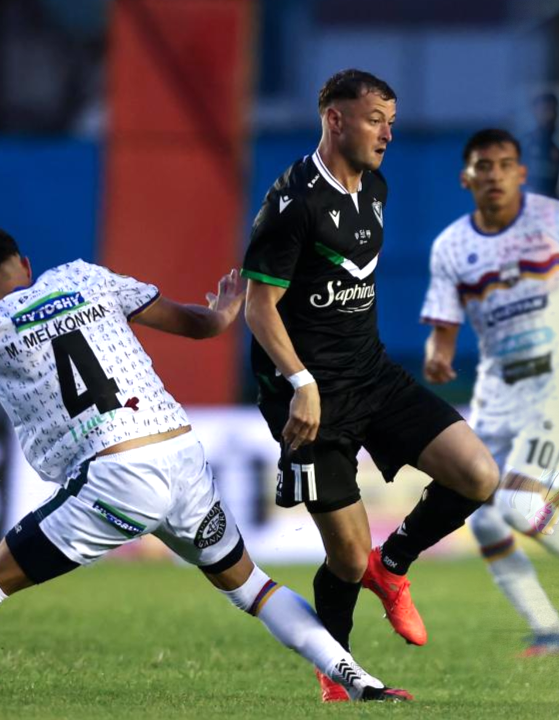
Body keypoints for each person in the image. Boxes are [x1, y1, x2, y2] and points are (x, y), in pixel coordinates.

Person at [0, 230, 409, 702]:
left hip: (115, 476)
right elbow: (202, 325)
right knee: (253, 588)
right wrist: (224, 311)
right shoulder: (84, 277)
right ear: (26, 266)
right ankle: (360, 680)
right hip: (182, 460)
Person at [241, 69, 498, 700]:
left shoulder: (376, 187)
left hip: (372, 374)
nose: (388, 132)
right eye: (375, 118)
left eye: (391, 119)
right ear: (335, 119)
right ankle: (339, 672)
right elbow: (258, 307)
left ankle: (397, 564)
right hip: (309, 398)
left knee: (477, 475)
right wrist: (301, 381)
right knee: (346, 560)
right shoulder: (292, 202)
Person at [420, 128, 559, 656]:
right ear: (466, 176)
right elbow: (443, 331)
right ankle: (550, 631)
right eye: (483, 166)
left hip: (557, 377)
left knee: (514, 501)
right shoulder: (450, 246)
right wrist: (437, 355)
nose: (494, 175)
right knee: (486, 519)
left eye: (504, 164)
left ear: (521, 172)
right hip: (495, 393)